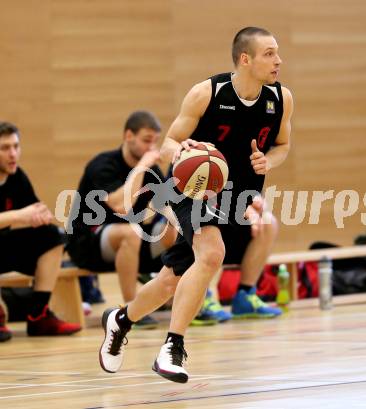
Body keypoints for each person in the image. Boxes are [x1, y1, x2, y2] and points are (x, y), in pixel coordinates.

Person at [98, 26, 293, 383]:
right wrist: (183, 150)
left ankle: (120, 320)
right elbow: (170, 143)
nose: (278, 60)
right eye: (269, 53)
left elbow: (281, 145)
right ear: (245, 59)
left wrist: (271, 162)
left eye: (278, 52)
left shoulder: (281, 99)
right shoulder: (207, 93)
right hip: (193, 190)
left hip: (238, 198)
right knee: (212, 254)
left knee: (172, 279)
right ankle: (172, 347)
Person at [67, 111, 176, 329]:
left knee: (178, 227)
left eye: (155, 142)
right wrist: (142, 167)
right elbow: (120, 205)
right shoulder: (102, 165)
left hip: (132, 242)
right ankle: (131, 310)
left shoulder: (151, 170)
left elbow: (169, 205)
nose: (151, 148)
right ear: (128, 136)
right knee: (131, 231)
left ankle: (179, 298)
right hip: (88, 242)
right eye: (146, 140)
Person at [0, 121, 82, 341]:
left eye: (16, 146)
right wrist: (20, 215)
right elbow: (22, 214)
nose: (13, 153)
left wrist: (41, 216)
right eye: (5, 148)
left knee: (53, 237)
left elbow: (34, 210)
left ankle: (39, 315)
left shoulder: (17, 177)